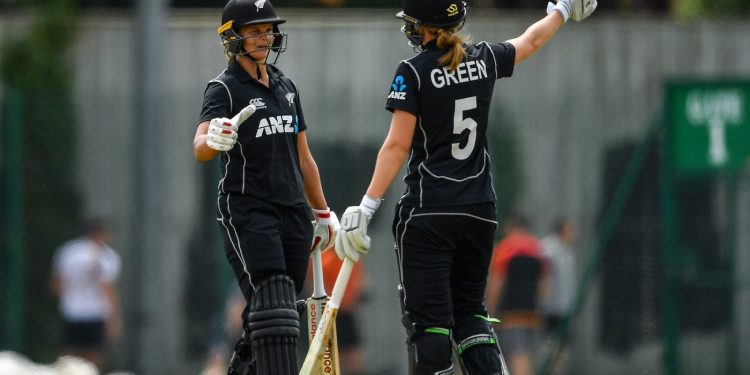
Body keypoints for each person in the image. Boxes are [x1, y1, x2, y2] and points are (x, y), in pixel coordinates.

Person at [333, 0, 596, 373]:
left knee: (432, 325)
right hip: (479, 211)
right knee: (471, 315)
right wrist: (564, 10)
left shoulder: (413, 71)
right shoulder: (484, 57)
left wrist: (368, 205)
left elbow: (396, 145)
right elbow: (531, 41)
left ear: (424, 27)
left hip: (429, 212)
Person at [192, 0, 339, 373]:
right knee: (274, 307)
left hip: (292, 212)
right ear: (232, 38)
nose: (264, 37)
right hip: (248, 210)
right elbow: (200, 146)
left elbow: (304, 158)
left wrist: (323, 212)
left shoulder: (285, 86)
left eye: (267, 29)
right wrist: (216, 138)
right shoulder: (223, 89)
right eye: (254, 30)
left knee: (277, 313)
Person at [50, 219, 122, 369]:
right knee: (92, 356)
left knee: (68, 355)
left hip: (71, 310)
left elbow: (57, 284)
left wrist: (68, 299)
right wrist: (113, 318)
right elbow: (106, 287)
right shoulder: (106, 255)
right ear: (99, 234)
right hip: (95, 312)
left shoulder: (67, 251)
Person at [486, 214, 547, 375]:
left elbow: (497, 282)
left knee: (517, 356)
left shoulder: (505, 248)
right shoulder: (537, 249)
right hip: (532, 313)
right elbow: (543, 284)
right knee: (526, 356)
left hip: (512, 313)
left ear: (511, 228)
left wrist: (490, 312)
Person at [539, 216, 577, 374]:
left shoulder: (567, 250)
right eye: (571, 228)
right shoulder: (549, 248)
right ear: (563, 229)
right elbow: (542, 274)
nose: (574, 233)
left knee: (562, 346)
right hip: (550, 308)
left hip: (564, 307)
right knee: (550, 344)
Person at [320, 249, 366, 375]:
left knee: (346, 357)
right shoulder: (346, 259)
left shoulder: (325, 259)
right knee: (347, 357)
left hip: (336, 313)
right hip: (337, 313)